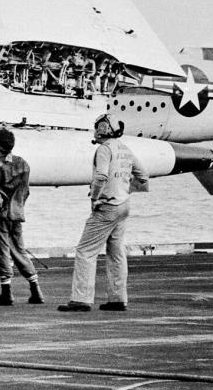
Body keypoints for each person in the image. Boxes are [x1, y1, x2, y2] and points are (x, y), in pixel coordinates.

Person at [59, 115, 147, 312]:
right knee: (116, 252)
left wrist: (96, 198)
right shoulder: (125, 149)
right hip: (123, 205)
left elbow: (100, 176)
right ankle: (118, 298)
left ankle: (81, 299)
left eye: (97, 127)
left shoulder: (104, 149)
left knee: (85, 250)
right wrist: (124, 190)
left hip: (107, 205)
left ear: (103, 129)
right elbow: (143, 176)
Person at [0, 128, 44, 306]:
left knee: (1, 251)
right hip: (18, 213)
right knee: (20, 250)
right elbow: (26, 190)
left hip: (1, 215)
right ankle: (35, 289)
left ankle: (7, 292)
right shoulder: (22, 163)